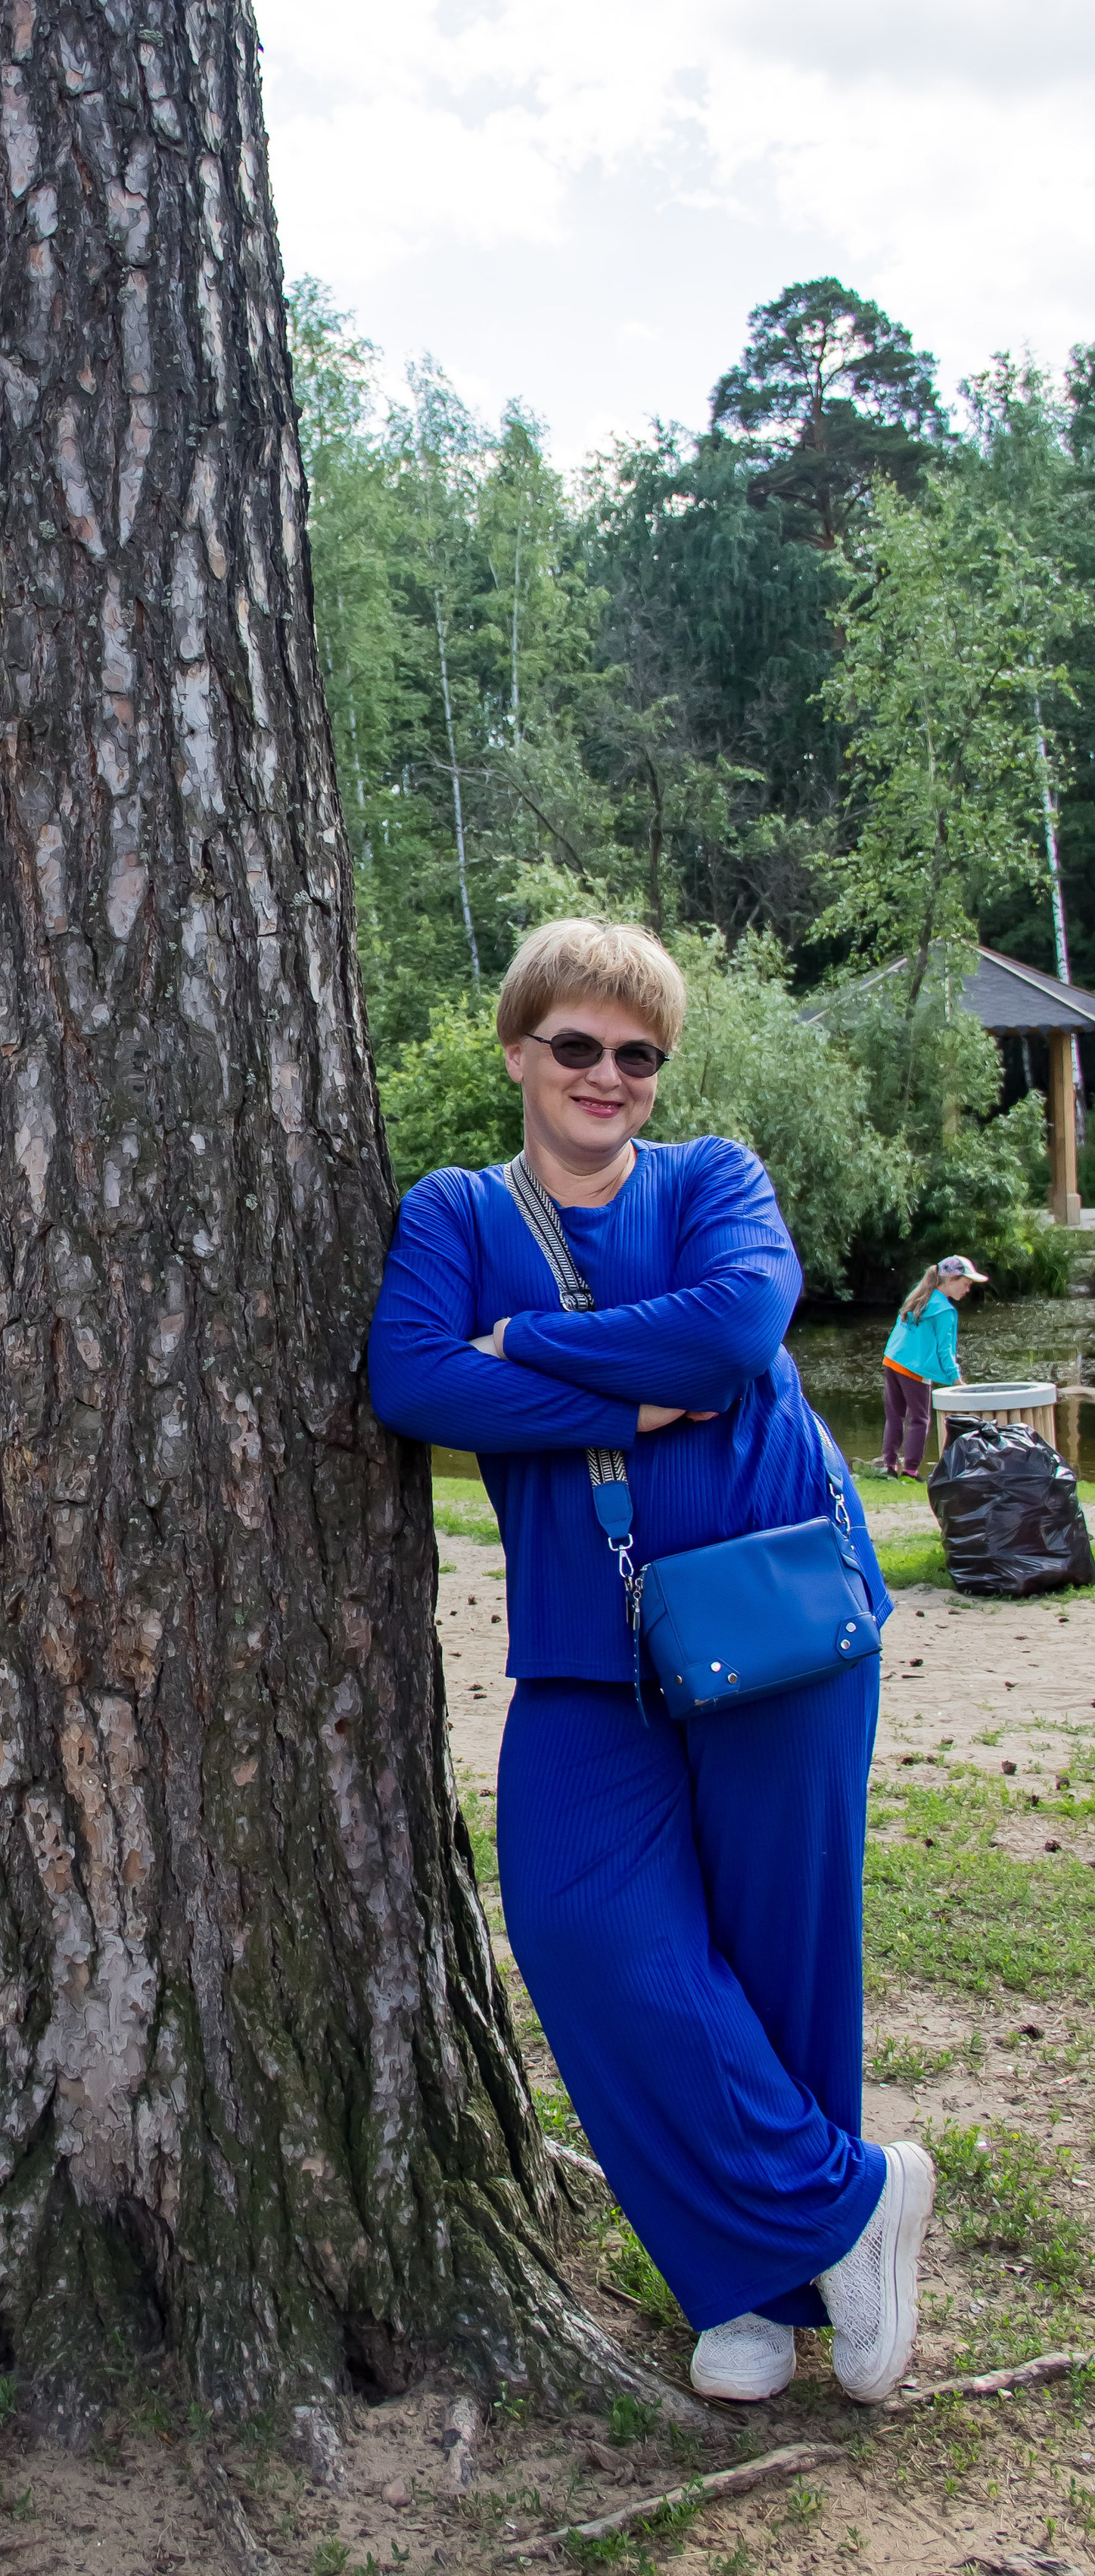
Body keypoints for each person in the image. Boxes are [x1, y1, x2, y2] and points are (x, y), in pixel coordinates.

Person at [368, 916, 935, 2408]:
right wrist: (625, 1402)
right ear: (516, 1048)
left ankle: (770, 2294)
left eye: (634, 1054)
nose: (604, 1075)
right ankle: (840, 2205)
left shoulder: (710, 1181)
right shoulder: (450, 1210)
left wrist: (525, 1357)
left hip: (776, 1613)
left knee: (772, 1953)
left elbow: (735, 1331)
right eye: (574, 1045)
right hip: (580, 1644)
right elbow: (409, 1380)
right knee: (580, 1930)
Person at [880, 1256, 985, 1480]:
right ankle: (910, 1471)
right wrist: (957, 1380)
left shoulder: (918, 1298)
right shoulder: (945, 1311)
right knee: (920, 1419)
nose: (968, 1290)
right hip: (915, 1370)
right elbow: (944, 1352)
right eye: (966, 1284)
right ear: (951, 1279)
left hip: (892, 1360)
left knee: (894, 1416)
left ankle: (889, 1465)